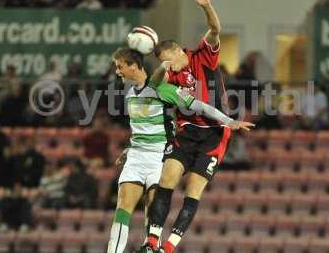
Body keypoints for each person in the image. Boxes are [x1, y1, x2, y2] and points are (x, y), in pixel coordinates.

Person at [138, 0, 254, 253]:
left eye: (168, 61)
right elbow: (153, 85)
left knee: (193, 191)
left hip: (214, 134)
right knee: (167, 179)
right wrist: (162, 69)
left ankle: (169, 246)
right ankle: (152, 241)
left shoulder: (204, 55)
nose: (169, 68)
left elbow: (215, 28)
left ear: (178, 51)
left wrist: (207, 6)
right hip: (187, 131)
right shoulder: (170, 76)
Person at [108, 48, 252, 253]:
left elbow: (199, 105)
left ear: (133, 66)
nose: (117, 72)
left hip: (158, 156)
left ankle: (153, 247)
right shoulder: (130, 94)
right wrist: (129, 147)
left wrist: (228, 121)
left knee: (153, 211)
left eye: (119, 66)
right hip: (136, 157)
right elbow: (140, 127)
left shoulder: (164, 89)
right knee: (122, 208)